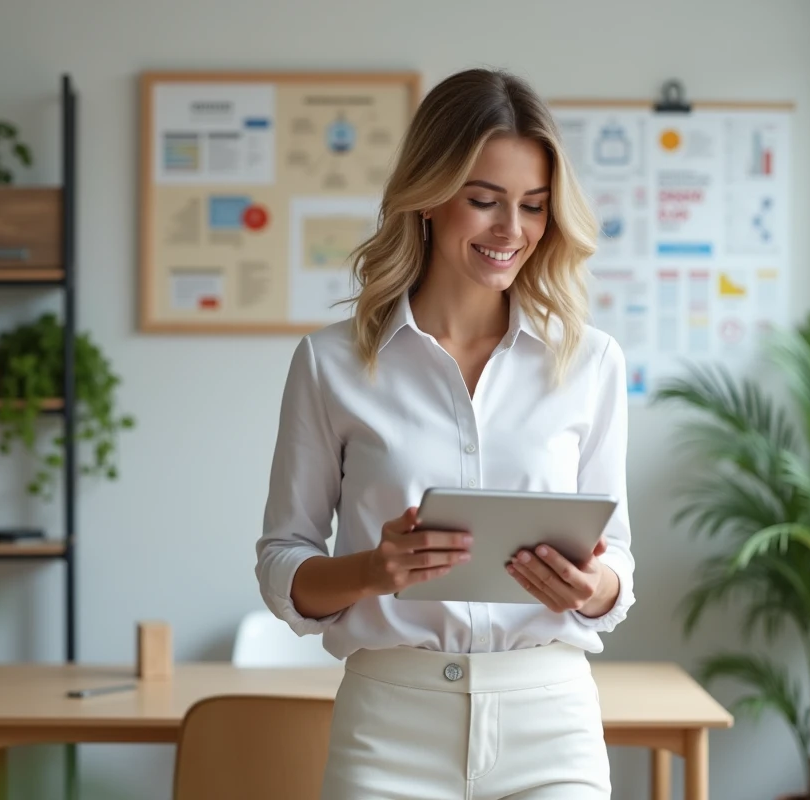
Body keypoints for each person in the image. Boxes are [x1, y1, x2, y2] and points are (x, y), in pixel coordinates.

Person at [255, 67, 633, 800]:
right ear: (428, 198)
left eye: (533, 206)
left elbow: (617, 559)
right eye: (484, 201)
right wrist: (371, 570)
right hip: (389, 723)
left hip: (550, 721)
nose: (511, 231)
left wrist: (591, 586)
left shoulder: (590, 363)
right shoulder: (331, 363)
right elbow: (281, 561)